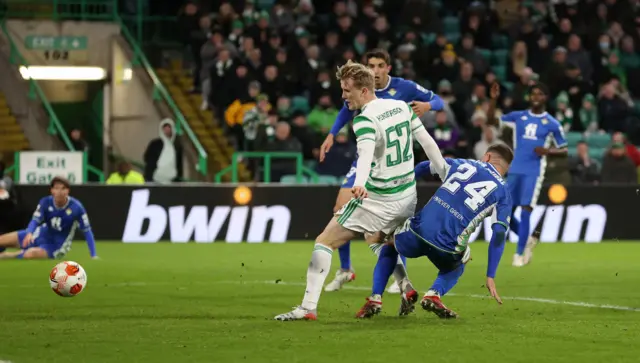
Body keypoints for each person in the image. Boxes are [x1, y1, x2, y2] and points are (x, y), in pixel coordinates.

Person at [274, 60, 445, 321]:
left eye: (347, 91)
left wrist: (360, 183)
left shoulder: (364, 119)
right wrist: (444, 172)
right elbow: (428, 143)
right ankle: (405, 286)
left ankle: (307, 308)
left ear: (364, 91)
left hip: (379, 198)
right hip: (408, 195)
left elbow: (364, 155)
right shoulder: (400, 107)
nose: (343, 97)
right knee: (380, 240)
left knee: (324, 241)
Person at [321, 49, 444, 294]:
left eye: (378, 65)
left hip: (391, 163)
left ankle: (400, 278)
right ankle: (346, 269)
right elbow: (346, 111)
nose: (374, 70)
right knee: (340, 209)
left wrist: (427, 105)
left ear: (388, 68)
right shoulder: (359, 88)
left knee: (389, 227)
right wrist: (332, 134)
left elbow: (439, 101)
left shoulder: (404, 88)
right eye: (370, 65)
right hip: (366, 156)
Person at [359, 144, 513, 319]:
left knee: (390, 246)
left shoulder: (463, 164)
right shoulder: (504, 193)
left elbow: (424, 166)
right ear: (505, 168)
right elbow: (499, 232)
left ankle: (376, 298)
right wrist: (490, 275)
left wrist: (404, 187)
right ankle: (434, 294)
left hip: (419, 231)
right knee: (461, 260)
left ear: (486, 157)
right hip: (447, 247)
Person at [487, 82, 567, 267]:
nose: (535, 97)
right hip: (515, 169)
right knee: (503, 210)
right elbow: (491, 120)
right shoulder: (518, 117)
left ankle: (519, 254)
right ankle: (529, 238)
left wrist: (547, 151)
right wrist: (493, 99)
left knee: (525, 211)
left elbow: (563, 149)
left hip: (534, 172)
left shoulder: (552, 124)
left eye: (539, 94)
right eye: (533, 94)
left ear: (545, 97)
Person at [0, 176, 98, 260]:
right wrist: (29, 232)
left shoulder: (77, 207)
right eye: (56, 188)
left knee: (30, 254)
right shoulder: (45, 202)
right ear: (52, 190)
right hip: (39, 234)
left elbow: (87, 230)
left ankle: (9, 255)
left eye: (63, 188)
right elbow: (35, 220)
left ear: (68, 191)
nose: (59, 192)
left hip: (55, 245)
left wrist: (93, 255)